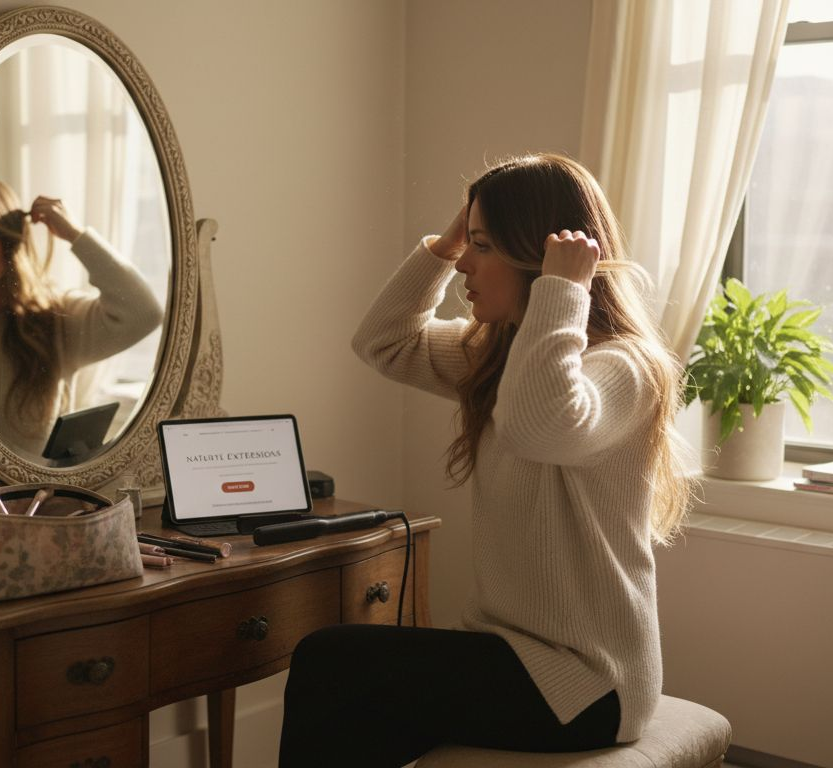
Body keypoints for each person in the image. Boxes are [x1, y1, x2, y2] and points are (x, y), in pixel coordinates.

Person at [277, 153, 693, 767]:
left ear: (540, 254)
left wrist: (561, 290)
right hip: (510, 653)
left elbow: (540, 426)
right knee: (353, 717)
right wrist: (442, 247)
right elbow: (382, 341)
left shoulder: (627, 368)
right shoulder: (500, 355)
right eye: (466, 244)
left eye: (483, 246)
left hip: (586, 680)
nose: (465, 263)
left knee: (329, 661)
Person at [0, 174, 164, 459]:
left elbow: (144, 313)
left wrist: (75, 234)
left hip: (43, 501)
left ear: (8, 237)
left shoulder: (55, 321)